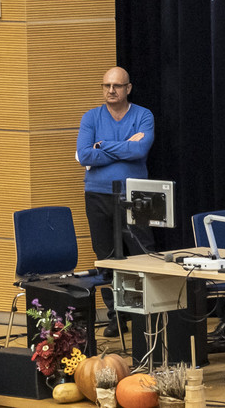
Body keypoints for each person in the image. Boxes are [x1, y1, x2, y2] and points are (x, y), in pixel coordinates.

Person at [76, 67, 154, 338]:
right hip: (97, 194)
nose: (111, 90)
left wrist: (102, 146)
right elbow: (84, 155)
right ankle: (116, 316)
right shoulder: (91, 117)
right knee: (106, 258)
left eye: (117, 86)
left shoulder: (143, 115)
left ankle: (145, 315)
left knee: (142, 255)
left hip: (136, 194)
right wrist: (122, 147)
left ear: (128, 88)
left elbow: (140, 150)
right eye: (106, 85)